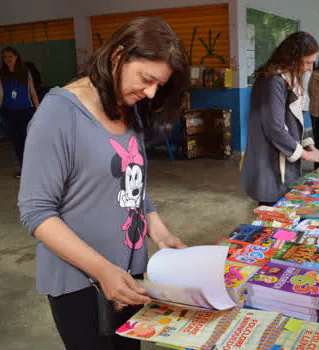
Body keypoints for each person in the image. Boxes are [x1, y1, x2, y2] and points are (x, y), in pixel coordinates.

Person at [18, 17, 189, 350]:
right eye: (146, 79)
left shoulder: (129, 106)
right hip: (82, 283)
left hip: (129, 272)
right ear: (118, 56)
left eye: (159, 84)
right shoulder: (58, 114)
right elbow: (36, 211)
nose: (150, 92)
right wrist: (102, 270)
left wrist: (161, 233)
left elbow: (130, 181)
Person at [240, 32, 319, 206]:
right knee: (271, 214)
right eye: (308, 63)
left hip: (284, 159)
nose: (311, 68)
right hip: (270, 162)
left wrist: (311, 148)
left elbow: (294, 122)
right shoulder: (272, 82)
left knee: (283, 211)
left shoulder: (288, 79)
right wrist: (306, 155)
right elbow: (275, 129)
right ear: (293, 59)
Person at [0, 47, 40, 178]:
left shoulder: (25, 72)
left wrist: (39, 110)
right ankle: (23, 168)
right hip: (10, 112)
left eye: (10, 56)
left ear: (16, 57)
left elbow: (32, 92)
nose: (7, 59)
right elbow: (0, 94)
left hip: (26, 111)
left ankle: (34, 167)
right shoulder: (2, 74)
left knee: (27, 140)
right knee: (17, 142)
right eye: (5, 57)